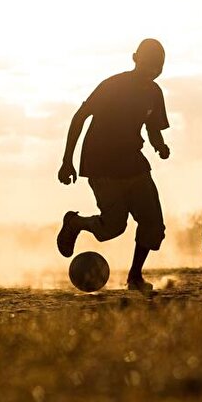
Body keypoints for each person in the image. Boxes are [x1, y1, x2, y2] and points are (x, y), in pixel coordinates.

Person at [56, 38, 171, 293]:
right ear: (134, 58)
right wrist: (67, 161)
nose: (153, 69)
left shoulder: (154, 93)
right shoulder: (113, 86)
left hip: (134, 164)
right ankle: (75, 223)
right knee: (113, 228)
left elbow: (153, 127)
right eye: (149, 63)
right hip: (101, 164)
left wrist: (159, 145)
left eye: (159, 65)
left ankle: (135, 277)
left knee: (153, 225)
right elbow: (79, 118)